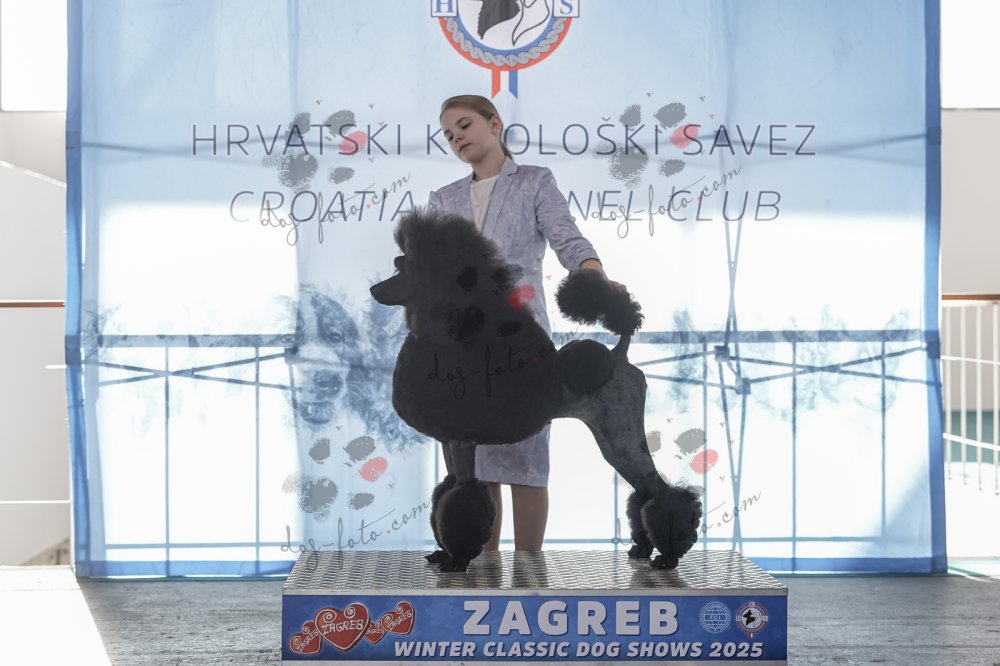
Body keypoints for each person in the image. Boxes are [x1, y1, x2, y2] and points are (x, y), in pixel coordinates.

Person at [427, 94, 624, 552]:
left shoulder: (535, 181)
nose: (457, 138)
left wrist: (593, 272)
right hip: (463, 343)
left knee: (528, 456)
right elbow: (434, 272)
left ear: (495, 124)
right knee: (474, 463)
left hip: (521, 336)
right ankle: (483, 566)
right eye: (449, 135)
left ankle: (530, 571)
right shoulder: (442, 198)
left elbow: (567, 238)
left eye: (464, 125)